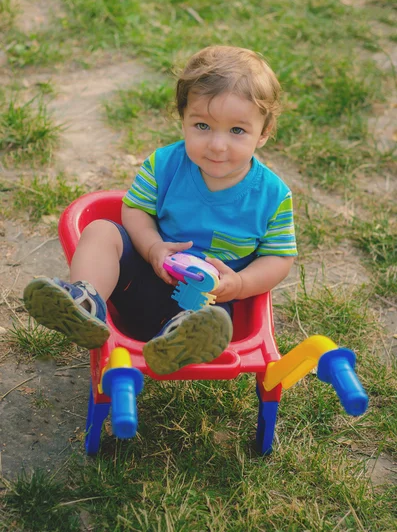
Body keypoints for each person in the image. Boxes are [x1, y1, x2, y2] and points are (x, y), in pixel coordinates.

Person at [24, 45, 297, 376]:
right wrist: (152, 246)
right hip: (140, 279)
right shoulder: (164, 164)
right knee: (100, 229)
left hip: (206, 299)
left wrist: (238, 284)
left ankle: (176, 341)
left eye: (237, 130)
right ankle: (85, 303)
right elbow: (135, 210)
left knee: (211, 318)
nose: (217, 144)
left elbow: (279, 258)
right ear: (183, 119)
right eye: (202, 126)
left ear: (264, 133)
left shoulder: (272, 195)